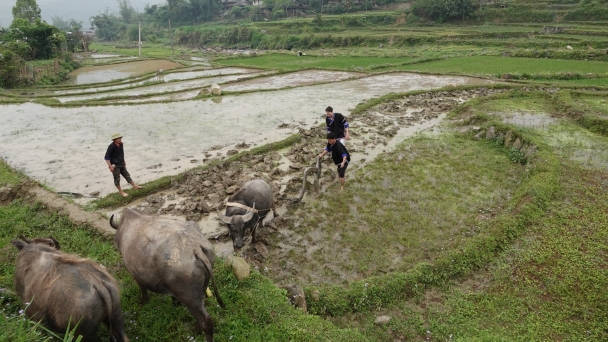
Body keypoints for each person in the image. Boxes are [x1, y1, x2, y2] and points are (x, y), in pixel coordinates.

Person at [104, 133, 141, 197]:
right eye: (118, 138)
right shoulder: (111, 146)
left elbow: (122, 153)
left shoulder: (121, 144)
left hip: (121, 163)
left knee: (127, 175)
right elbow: (107, 158)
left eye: (120, 138)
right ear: (114, 139)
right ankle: (120, 192)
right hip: (115, 165)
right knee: (117, 178)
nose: (119, 139)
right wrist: (110, 166)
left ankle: (134, 186)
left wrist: (124, 161)